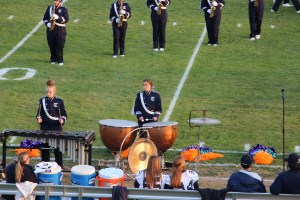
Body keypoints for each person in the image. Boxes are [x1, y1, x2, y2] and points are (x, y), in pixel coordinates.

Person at [36, 80, 67, 168]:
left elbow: (64, 114)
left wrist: (62, 120)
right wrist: (39, 118)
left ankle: (59, 167)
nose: (48, 93)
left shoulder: (59, 101)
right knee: (45, 150)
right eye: (47, 92)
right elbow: (38, 114)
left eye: (50, 92)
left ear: (54, 92)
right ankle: (45, 167)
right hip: (44, 128)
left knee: (58, 150)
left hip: (56, 128)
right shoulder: (42, 101)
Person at [43, 0, 69, 66]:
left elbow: (66, 20)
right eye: (54, 0)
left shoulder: (64, 9)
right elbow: (45, 18)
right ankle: (53, 59)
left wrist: (58, 17)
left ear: (60, 2)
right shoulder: (50, 8)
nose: (55, 2)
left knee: (59, 45)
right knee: (51, 44)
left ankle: (60, 60)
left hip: (60, 30)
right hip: (51, 29)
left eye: (56, 1)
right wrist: (48, 24)